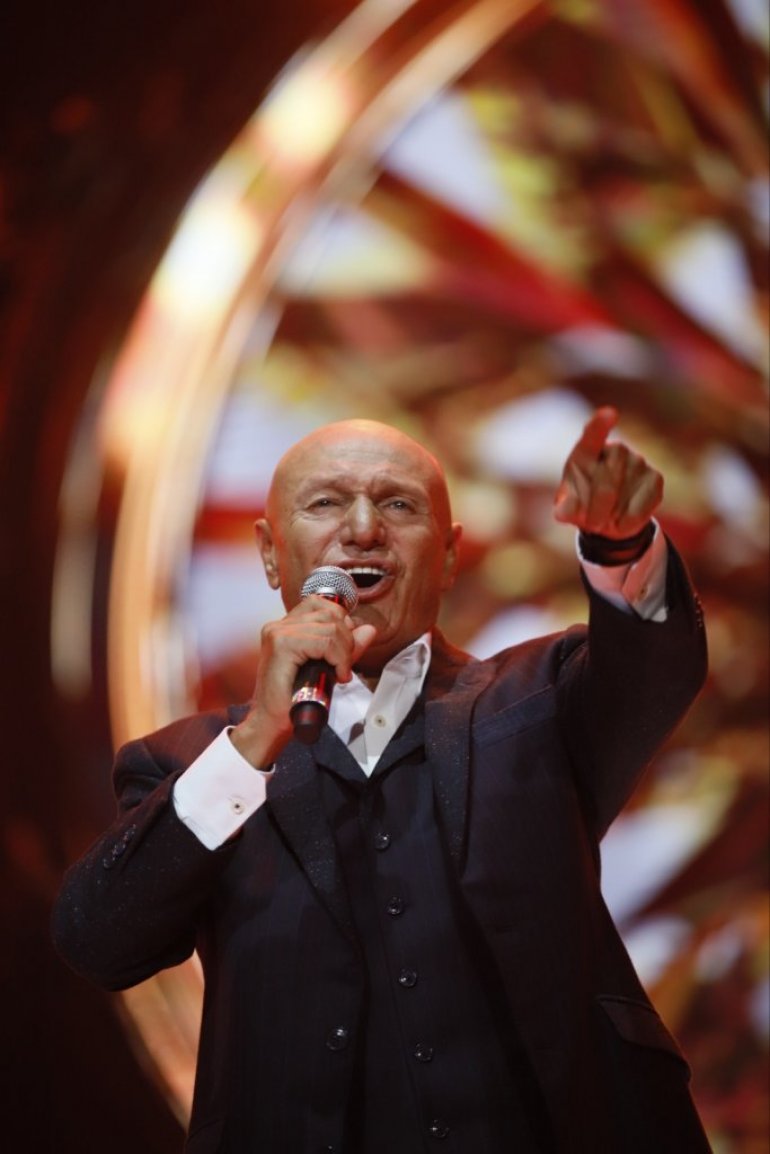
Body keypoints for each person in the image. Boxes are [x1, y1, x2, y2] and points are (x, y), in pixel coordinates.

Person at [52, 407, 712, 1154]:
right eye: (325, 503)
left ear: (450, 556)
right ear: (270, 553)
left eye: (398, 504)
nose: (364, 529)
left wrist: (622, 545)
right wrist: (255, 741)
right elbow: (97, 940)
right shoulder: (188, 763)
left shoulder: (542, 695)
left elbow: (654, 666)